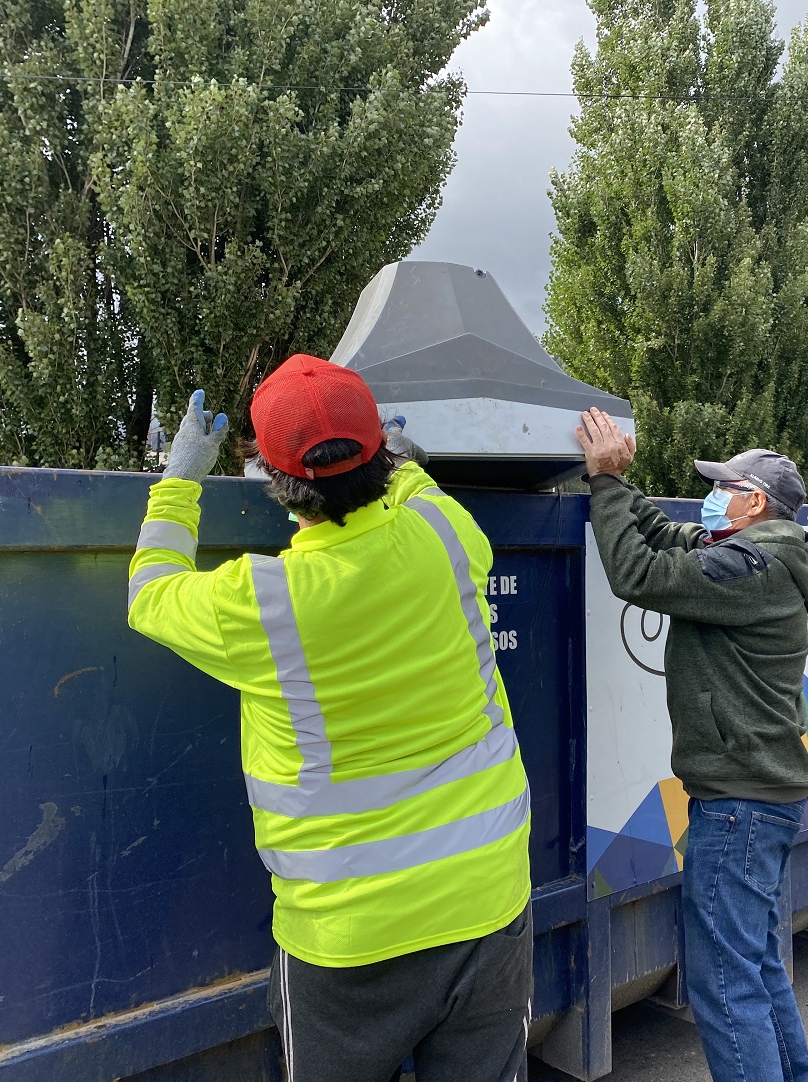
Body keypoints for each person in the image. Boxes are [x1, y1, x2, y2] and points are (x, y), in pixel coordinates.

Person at [127, 354, 533, 1082]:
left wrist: (178, 478)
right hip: (487, 907)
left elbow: (151, 592)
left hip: (348, 939)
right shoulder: (447, 535)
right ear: (380, 453)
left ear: (276, 483)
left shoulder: (264, 601)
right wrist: (390, 455)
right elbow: (415, 486)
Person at [576, 408, 808, 1082]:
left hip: (738, 803)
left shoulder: (748, 567)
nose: (710, 495)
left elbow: (640, 574)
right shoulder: (768, 553)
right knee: (758, 968)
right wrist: (620, 483)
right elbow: (665, 532)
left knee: (723, 984)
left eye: (722, 486)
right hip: (761, 797)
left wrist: (600, 486)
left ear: (754, 502)